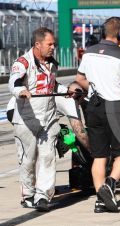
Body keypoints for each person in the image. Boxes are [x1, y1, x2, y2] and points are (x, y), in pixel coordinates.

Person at [75, 17, 120, 213]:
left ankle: (100, 201)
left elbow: (80, 79)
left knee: (99, 156)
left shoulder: (89, 53)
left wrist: (95, 87)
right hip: (114, 107)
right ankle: (110, 184)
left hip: (93, 106)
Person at [8, 27, 71, 211]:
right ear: (37, 44)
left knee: (48, 156)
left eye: (54, 44)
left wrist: (68, 92)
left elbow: (53, 85)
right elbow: (14, 81)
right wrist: (21, 91)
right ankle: (28, 196)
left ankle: (42, 195)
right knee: (28, 160)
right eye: (49, 44)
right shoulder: (22, 63)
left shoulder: (52, 64)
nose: (53, 47)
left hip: (49, 118)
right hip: (26, 119)